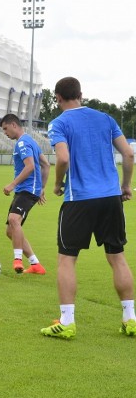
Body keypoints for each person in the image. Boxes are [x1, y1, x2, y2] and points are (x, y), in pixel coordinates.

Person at [41, 76, 136, 339]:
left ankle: (67, 321)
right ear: (81, 94)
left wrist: (58, 183)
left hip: (79, 199)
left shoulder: (59, 123)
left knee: (67, 259)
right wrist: (125, 185)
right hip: (110, 198)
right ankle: (131, 318)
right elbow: (128, 154)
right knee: (117, 256)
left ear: (58, 98)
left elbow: (62, 158)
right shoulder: (106, 119)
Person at [0, 113, 50, 275]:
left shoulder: (22, 143)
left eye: (6, 129)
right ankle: (35, 264)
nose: (5, 133)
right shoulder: (30, 140)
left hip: (27, 190)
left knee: (14, 220)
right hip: (28, 189)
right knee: (10, 231)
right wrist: (41, 187)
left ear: (14, 125)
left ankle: (17, 260)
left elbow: (29, 167)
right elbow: (46, 164)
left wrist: (12, 184)